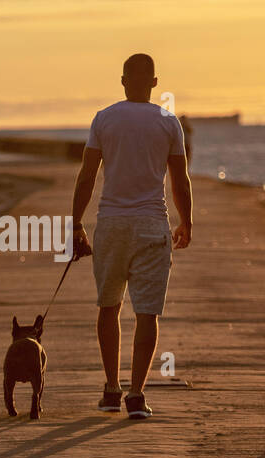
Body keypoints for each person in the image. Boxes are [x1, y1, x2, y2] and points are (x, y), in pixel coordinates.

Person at [71, 53, 193, 419]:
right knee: (147, 313)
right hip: (152, 224)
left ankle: (111, 389)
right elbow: (179, 178)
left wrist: (75, 222)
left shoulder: (104, 119)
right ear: (155, 83)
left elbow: (87, 174)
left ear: (123, 81)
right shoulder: (168, 122)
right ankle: (136, 395)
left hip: (111, 224)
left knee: (108, 306)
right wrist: (186, 221)